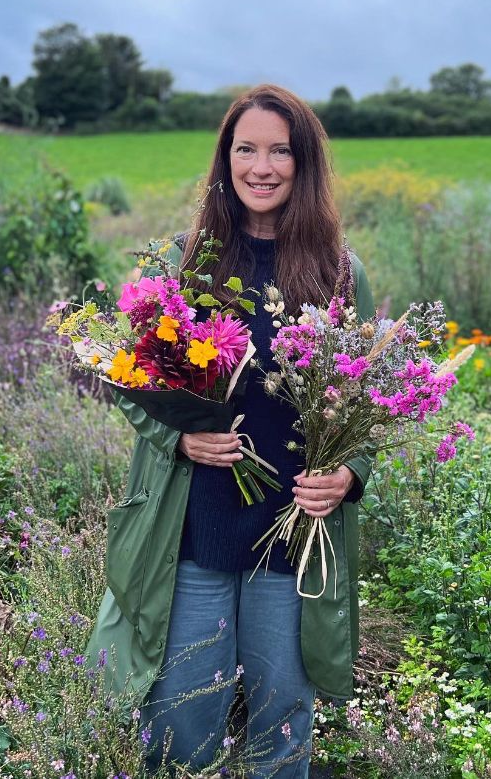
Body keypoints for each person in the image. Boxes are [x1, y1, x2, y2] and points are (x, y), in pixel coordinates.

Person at [87, 84, 375, 778]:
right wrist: (178, 439)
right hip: (194, 535)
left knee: (282, 729)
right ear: (226, 158)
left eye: (280, 150)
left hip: (293, 541)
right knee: (179, 726)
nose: (262, 166)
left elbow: (369, 400)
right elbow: (129, 380)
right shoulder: (189, 260)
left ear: (304, 165)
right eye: (246, 148)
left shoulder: (339, 270)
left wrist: (348, 473)